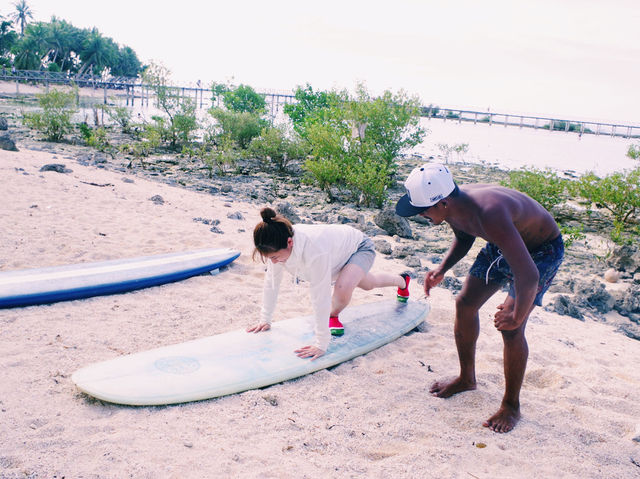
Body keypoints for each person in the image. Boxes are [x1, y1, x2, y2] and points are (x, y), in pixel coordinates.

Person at [395, 163, 564, 433]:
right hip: (503, 242)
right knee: (465, 303)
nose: (421, 216)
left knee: (511, 327)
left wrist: (516, 314)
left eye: (423, 210)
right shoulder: (453, 207)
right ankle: (466, 378)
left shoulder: (489, 212)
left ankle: (511, 406)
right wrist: (442, 268)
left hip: (541, 251)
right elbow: (464, 237)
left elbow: (529, 275)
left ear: (443, 202)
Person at [248, 207, 411, 360]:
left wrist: (321, 343)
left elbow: (320, 295)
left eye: (275, 258)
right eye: (271, 258)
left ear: (290, 242)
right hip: (335, 256)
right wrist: (265, 319)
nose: (274, 262)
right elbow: (271, 283)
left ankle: (333, 315)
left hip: (358, 248)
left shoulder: (314, 249)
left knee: (343, 290)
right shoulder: (275, 244)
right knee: (368, 283)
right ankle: (403, 281)